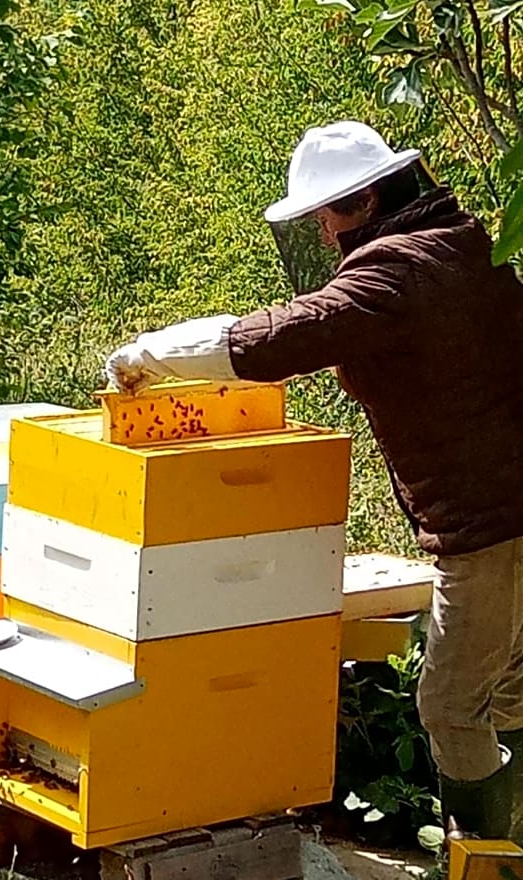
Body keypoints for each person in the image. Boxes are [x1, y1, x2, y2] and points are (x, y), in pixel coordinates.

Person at [105, 120, 523, 843]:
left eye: (327, 214)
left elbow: (280, 338)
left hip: (490, 524)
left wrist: (150, 355)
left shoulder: (394, 274)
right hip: (505, 503)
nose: (324, 234)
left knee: (451, 704)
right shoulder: (462, 242)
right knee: (512, 687)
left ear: (364, 202)